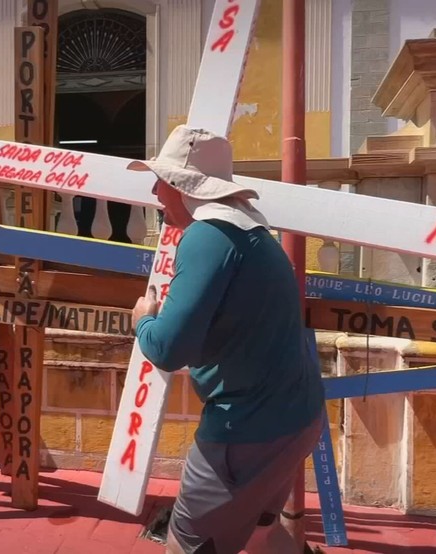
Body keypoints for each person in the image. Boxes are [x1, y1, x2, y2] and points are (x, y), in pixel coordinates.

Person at [127, 125, 326, 554]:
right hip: (297, 420)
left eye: (162, 181)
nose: (156, 192)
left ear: (183, 185)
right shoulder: (252, 231)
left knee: (189, 546)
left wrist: (143, 320)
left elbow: (167, 349)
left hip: (246, 432)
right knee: (261, 536)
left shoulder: (207, 236)